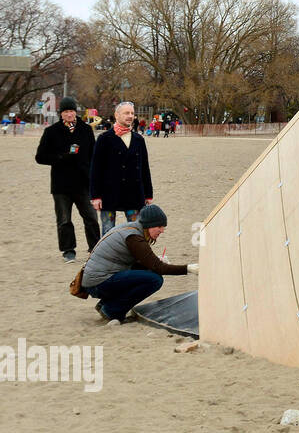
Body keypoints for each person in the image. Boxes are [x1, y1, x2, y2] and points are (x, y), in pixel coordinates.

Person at [78, 204, 196, 323]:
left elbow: (141, 264)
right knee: (155, 280)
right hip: (98, 283)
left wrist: (155, 262)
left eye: (163, 227)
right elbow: (158, 268)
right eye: (159, 226)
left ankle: (106, 304)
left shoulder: (131, 229)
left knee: (148, 274)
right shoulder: (134, 237)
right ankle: (111, 310)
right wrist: (188, 269)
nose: (162, 231)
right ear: (149, 224)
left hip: (94, 281)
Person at [34, 97, 101, 262]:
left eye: (71, 111)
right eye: (65, 111)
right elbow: (40, 157)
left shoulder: (85, 130)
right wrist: (61, 157)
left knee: (91, 218)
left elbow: (93, 156)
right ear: (61, 114)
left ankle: (95, 249)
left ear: (75, 112)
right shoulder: (51, 132)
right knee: (64, 220)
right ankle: (68, 250)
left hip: (83, 183)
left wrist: (92, 175)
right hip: (61, 184)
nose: (69, 114)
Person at [90, 101, 154, 235]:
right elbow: (96, 169)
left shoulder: (138, 140)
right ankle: (108, 256)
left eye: (132, 113)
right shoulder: (104, 139)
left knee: (135, 231)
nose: (130, 116)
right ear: (116, 115)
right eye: (126, 113)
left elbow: (144, 168)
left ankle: (134, 256)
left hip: (134, 193)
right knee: (108, 231)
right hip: (109, 193)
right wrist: (95, 196)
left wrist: (148, 194)